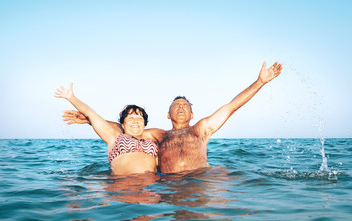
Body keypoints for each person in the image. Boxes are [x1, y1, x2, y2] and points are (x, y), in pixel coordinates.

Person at [62, 61, 283, 173]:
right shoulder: (159, 135)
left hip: (200, 179)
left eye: (185, 105)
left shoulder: (202, 128)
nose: (180, 107)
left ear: (192, 113)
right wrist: (88, 119)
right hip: (166, 185)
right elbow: (126, 130)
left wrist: (260, 82)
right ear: (168, 114)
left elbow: (232, 106)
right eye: (176, 105)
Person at [54, 83, 159, 175]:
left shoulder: (152, 142)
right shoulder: (114, 136)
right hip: (125, 185)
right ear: (123, 124)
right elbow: (91, 114)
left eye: (139, 118)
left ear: (144, 124)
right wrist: (71, 98)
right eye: (130, 118)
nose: (135, 121)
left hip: (150, 186)